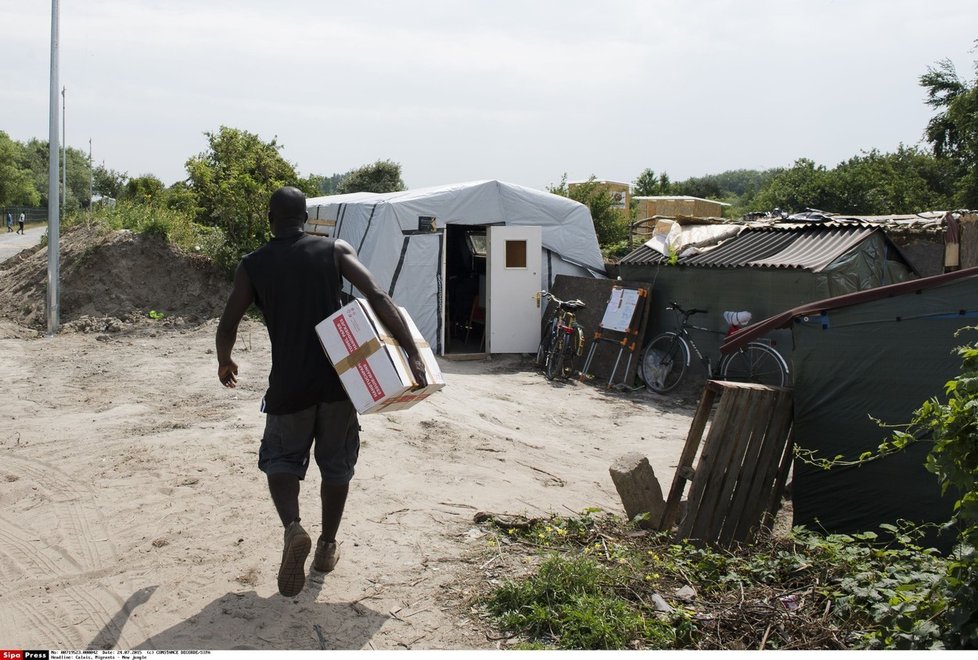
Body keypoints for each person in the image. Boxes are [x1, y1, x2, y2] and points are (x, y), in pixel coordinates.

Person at [216, 186, 427, 598]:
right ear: (306, 218)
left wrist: (225, 360)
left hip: (288, 386)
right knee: (336, 465)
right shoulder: (333, 250)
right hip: (340, 382)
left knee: (281, 458)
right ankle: (327, 548)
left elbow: (229, 321)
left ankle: (293, 528)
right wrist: (410, 353)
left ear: (269, 217)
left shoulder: (253, 264)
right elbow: (378, 296)